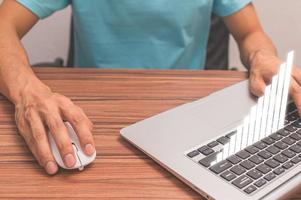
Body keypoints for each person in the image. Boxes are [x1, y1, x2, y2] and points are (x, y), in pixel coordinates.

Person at [0, 0, 301, 175]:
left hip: (188, 123)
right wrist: (27, 92)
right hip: (92, 122)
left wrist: (262, 56)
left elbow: (251, 32)